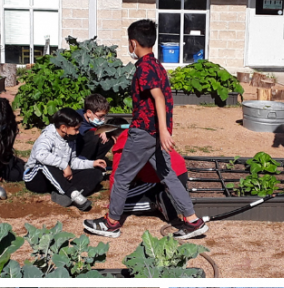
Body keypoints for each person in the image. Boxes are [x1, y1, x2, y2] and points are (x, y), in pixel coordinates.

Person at [84, 19, 207, 240]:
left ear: (133, 43)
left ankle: (111, 223)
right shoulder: (158, 66)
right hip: (154, 134)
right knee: (167, 175)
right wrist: (163, 131)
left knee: (121, 177)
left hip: (144, 133)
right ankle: (192, 221)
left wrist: (163, 131)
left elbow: (159, 98)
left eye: (129, 44)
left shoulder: (144, 69)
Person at [24, 107, 107, 211]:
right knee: (45, 164)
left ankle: (64, 195)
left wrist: (92, 163)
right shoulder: (47, 137)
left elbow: (73, 162)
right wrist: (64, 165)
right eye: (76, 129)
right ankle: (72, 193)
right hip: (36, 178)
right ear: (64, 128)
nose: (78, 132)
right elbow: (40, 154)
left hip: (58, 178)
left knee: (96, 174)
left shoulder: (70, 139)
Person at [105, 127, 191, 222]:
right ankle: (168, 201)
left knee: (119, 205)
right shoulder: (145, 134)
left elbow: (117, 176)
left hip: (157, 181)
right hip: (179, 174)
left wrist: (112, 200)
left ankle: (155, 202)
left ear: (114, 138)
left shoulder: (123, 145)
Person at [77, 93, 116, 161]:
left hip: (89, 146)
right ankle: (83, 162)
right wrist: (100, 130)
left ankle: (96, 161)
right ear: (89, 113)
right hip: (77, 148)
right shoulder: (77, 118)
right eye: (100, 116)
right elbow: (83, 131)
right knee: (93, 136)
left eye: (104, 116)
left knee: (109, 138)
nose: (103, 119)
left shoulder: (93, 119)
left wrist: (104, 131)